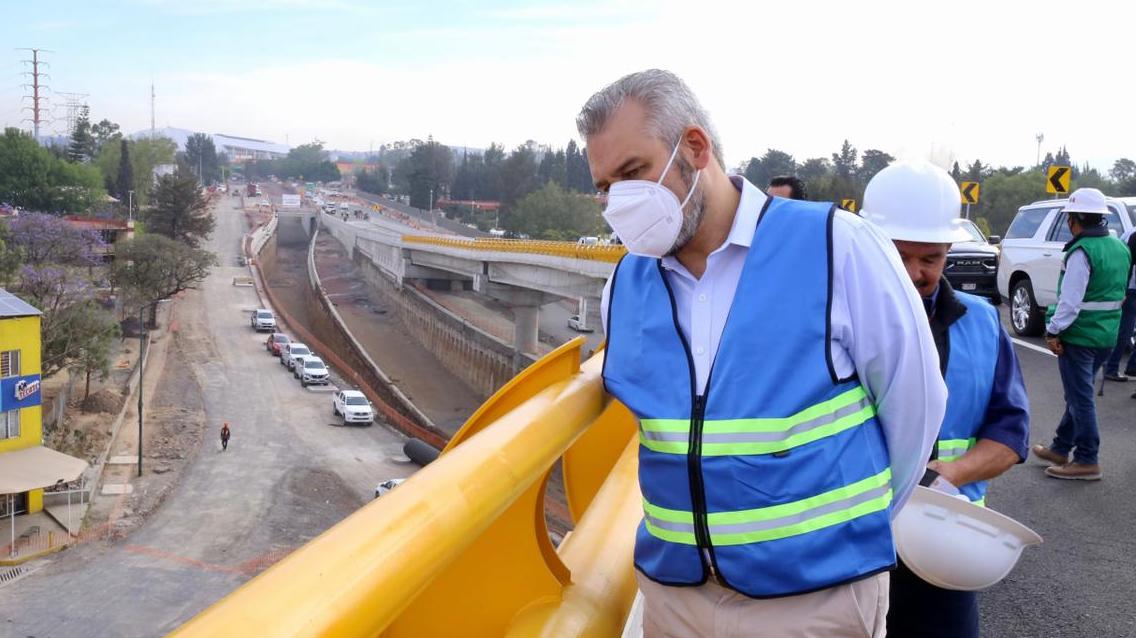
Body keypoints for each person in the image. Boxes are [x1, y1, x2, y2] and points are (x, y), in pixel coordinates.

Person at [581, 69, 947, 637]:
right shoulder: (624, 287)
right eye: (606, 186)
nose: (620, 201)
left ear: (695, 148)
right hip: (675, 597)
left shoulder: (836, 245)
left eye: (633, 173)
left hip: (813, 600)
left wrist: (843, 541)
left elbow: (913, 406)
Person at [860, 161, 1030, 638]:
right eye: (900, 257)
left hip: (942, 545)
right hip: (852, 541)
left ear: (949, 249)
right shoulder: (833, 322)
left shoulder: (981, 323)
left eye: (930, 258)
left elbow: (1009, 432)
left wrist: (950, 474)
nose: (915, 273)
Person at [1031, 188, 1132, 480]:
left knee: (1080, 399)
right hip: (1107, 335)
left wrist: (1053, 331)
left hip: (1080, 336)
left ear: (1075, 220)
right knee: (1080, 394)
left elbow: (1071, 302)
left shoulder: (1081, 251)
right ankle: (1060, 448)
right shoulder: (1119, 247)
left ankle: (1087, 458)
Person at [1102, 227, 1136, 383]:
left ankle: (1131, 367)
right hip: (1130, 289)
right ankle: (1111, 367)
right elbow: (1126, 263)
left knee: (1125, 331)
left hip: (1128, 288)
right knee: (1125, 331)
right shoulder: (1132, 234)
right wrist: (1122, 288)